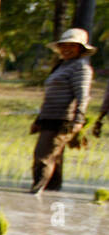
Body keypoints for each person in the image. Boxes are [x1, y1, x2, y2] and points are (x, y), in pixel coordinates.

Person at [32, 27, 95, 194]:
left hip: (63, 120)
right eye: (63, 45)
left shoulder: (81, 68)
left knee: (43, 156)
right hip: (49, 117)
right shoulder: (62, 66)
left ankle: (36, 192)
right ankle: (52, 193)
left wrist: (78, 120)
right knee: (55, 158)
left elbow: (83, 95)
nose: (66, 49)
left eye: (71, 45)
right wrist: (39, 120)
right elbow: (50, 97)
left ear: (80, 48)